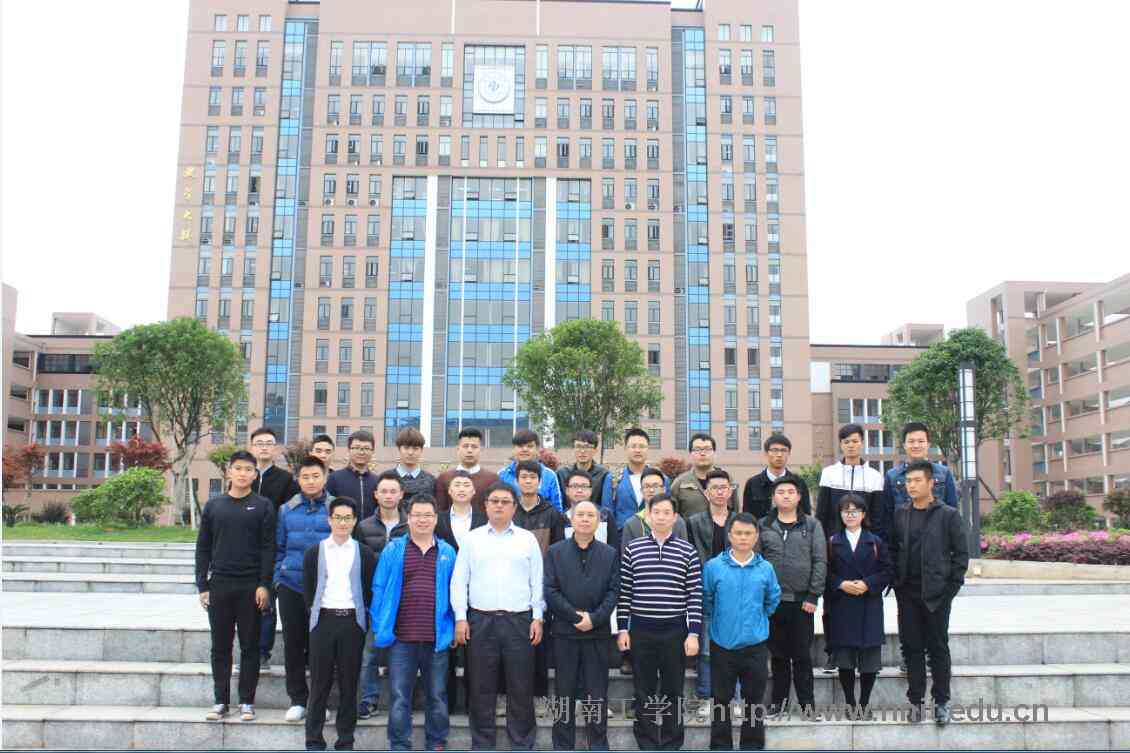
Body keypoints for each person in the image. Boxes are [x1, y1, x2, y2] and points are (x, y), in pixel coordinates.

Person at [451, 481, 545, 751]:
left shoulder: (527, 539)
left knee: (521, 685)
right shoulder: (472, 539)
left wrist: (537, 616)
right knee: (481, 686)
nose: (500, 506)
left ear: (514, 507)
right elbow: (459, 581)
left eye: (506, 502)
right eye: (495, 501)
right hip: (481, 621)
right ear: (486, 506)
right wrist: (460, 617)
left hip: (520, 621)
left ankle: (522, 743)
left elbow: (537, 580)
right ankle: (482, 743)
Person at [371, 494, 458, 751]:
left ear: (436, 519)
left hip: (436, 638)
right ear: (408, 519)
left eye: (427, 515)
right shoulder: (394, 549)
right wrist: (380, 624)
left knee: (437, 695)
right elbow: (379, 588)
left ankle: (437, 742)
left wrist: (453, 627)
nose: (422, 520)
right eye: (417, 515)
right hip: (401, 638)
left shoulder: (447, 552)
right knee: (399, 696)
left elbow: (456, 593)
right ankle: (399, 744)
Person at [618, 492, 702, 751]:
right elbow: (625, 592)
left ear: (675, 517)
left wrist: (693, 633)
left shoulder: (687, 551)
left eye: (667, 512)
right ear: (648, 516)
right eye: (656, 512)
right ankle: (646, 742)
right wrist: (622, 629)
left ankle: (671, 743)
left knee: (673, 689)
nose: (662, 517)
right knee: (643, 689)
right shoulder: (633, 549)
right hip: (641, 629)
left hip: (674, 630)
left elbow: (694, 595)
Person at [888, 460, 969, 725]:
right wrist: (897, 583)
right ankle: (916, 702)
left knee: (938, 648)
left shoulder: (948, 515)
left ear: (931, 483)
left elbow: (961, 555)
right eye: (908, 482)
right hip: (907, 593)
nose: (911, 486)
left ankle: (942, 701)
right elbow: (893, 549)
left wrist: (950, 589)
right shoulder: (901, 514)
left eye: (917, 481)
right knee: (912, 648)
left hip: (937, 594)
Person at [195, 449, 274, 722]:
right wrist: (202, 585)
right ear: (229, 471)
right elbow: (203, 548)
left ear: (255, 474)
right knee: (220, 646)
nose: (243, 473)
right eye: (238, 468)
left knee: (250, 646)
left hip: (251, 586)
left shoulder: (263, 505)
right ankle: (220, 701)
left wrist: (264, 584)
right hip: (219, 585)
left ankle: (247, 702)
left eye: (248, 469)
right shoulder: (214, 506)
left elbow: (268, 548)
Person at [302, 496, 377, 751]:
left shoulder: (364, 553)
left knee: (349, 684)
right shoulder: (315, 552)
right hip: (323, 622)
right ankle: (314, 740)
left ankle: (345, 740)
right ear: (329, 520)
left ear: (354, 521)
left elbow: (369, 589)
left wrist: (361, 620)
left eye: (347, 518)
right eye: (338, 518)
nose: (342, 523)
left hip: (352, 623)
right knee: (319, 684)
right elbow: (308, 589)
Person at [544, 500, 620, 751]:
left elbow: (614, 591)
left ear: (598, 522)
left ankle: (598, 744)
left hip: (597, 634)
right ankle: (562, 745)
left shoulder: (609, 554)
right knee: (563, 693)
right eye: (581, 515)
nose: (585, 519)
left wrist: (594, 619)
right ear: (571, 519)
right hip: (565, 634)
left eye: (590, 515)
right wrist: (576, 618)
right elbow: (550, 590)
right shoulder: (555, 552)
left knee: (597, 694)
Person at [702, 513, 780, 751]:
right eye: (738, 533)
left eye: (748, 533)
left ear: (756, 537)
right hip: (722, 644)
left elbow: (772, 599)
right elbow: (707, 599)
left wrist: (757, 619)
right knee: (720, 700)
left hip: (755, 644)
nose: (743, 538)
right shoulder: (714, 567)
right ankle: (720, 746)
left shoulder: (765, 568)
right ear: (730, 536)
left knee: (754, 700)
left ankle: (752, 746)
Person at [815, 423, 884, 673]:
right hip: (835, 549)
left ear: (862, 443)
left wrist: (875, 548)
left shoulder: (874, 476)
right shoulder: (829, 474)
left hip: (865, 549)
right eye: (846, 442)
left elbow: (878, 517)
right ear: (840, 445)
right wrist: (823, 546)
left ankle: (866, 653)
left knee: (866, 604)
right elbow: (822, 514)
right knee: (832, 603)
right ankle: (833, 652)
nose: (851, 445)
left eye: (855, 441)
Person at [757, 477, 826, 715]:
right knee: (778, 657)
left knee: (802, 656)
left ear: (798, 497)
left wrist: (813, 595)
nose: (785, 495)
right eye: (780, 492)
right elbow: (757, 562)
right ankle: (779, 703)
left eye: (790, 492)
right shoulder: (763, 525)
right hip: (773, 603)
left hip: (802, 602)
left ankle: (807, 705)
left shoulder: (812, 525)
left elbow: (820, 560)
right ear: (773, 498)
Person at [275, 456, 335, 722]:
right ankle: (298, 699)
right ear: (297, 479)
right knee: (293, 644)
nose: (310, 481)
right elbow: (278, 548)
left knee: (322, 647)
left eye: (315, 476)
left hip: (326, 588)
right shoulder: (286, 510)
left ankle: (321, 701)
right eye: (305, 477)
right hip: (291, 585)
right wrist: (278, 578)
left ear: (325, 477)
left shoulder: (336, 508)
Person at [824, 494, 892, 716]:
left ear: (863, 515)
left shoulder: (875, 542)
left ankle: (864, 703)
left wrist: (867, 584)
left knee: (869, 660)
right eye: (846, 511)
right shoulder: (832, 542)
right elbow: (825, 572)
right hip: (842, 605)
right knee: (845, 659)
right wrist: (840, 584)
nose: (850, 515)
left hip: (868, 604)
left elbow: (887, 571)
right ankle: (850, 702)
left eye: (855, 511)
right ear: (840, 515)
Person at [618, 467, 685, 677]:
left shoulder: (678, 522)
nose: (651, 489)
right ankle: (629, 658)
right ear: (641, 490)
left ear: (664, 488)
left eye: (656, 485)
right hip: (641, 598)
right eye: (646, 486)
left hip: (671, 600)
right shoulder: (632, 523)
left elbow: (685, 558)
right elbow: (625, 562)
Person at [355, 470, 410, 720]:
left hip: (404, 598)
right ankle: (368, 700)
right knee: (370, 653)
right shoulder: (363, 526)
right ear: (376, 495)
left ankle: (403, 702)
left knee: (403, 654)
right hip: (374, 598)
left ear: (401, 494)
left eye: (393, 491)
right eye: (384, 491)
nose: (388, 496)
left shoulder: (411, 525)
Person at [433, 471, 488, 714]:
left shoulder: (484, 519)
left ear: (474, 491)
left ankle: (473, 703)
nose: (462, 489)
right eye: (457, 485)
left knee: (475, 652)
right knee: (447, 647)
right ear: (449, 491)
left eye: (467, 485)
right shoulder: (439, 519)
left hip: (477, 590)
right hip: (444, 589)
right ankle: (447, 703)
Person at [513, 459, 567, 700]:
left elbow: (558, 552)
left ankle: (539, 697)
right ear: (516, 481)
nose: (528, 481)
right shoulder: (510, 510)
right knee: (512, 644)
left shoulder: (552, 514)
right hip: (512, 585)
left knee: (539, 643)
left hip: (542, 586)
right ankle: (508, 696)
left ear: (540, 482)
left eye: (532, 477)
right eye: (523, 477)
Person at [687, 468, 737, 721]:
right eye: (714, 488)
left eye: (724, 488)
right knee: (706, 649)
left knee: (735, 647)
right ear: (706, 493)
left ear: (730, 491)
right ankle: (706, 698)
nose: (719, 492)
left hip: (734, 591)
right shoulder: (694, 522)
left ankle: (735, 699)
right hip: (704, 590)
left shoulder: (740, 521)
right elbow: (691, 555)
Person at [249, 426, 300, 671]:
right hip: (246, 550)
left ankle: (262, 653)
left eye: (269, 443)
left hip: (274, 547)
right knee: (248, 605)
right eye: (259, 443)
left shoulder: (285, 479)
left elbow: (288, 514)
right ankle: (249, 652)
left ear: (275, 448)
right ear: (252, 447)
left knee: (267, 603)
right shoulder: (246, 475)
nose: (264, 447)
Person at [882, 422, 959, 535]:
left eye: (921, 441)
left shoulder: (943, 473)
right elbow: (887, 514)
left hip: (937, 537)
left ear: (928, 444)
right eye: (911, 441)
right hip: (904, 538)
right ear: (904, 445)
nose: (916, 445)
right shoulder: (892, 476)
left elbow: (952, 507)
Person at [742, 433, 812, 519]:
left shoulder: (799, 483)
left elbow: (806, 516)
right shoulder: (752, 483)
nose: (779, 455)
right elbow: (747, 518)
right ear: (766, 453)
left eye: (783, 450)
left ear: (789, 453)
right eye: (774, 450)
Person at [610, 427, 668, 529]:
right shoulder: (613, 479)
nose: (637, 450)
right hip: (622, 535)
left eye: (642, 446)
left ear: (648, 448)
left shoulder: (662, 479)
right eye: (633, 446)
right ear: (625, 449)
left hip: (654, 533)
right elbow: (608, 513)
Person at [434, 427, 501, 513]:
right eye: (465, 446)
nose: (469, 450)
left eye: (474, 447)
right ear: (458, 449)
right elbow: (440, 511)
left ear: (481, 450)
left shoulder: (493, 479)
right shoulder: (444, 478)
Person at [670, 433, 737, 519]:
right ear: (690, 454)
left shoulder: (727, 479)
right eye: (697, 449)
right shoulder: (680, 483)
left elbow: (735, 510)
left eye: (707, 449)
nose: (702, 453)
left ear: (714, 453)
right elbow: (673, 516)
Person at [498, 429, 563, 512]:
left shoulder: (549, 475)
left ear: (537, 449)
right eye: (520, 446)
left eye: (529, 446)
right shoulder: (502, 475)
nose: (525, 449)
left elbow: (557, 509)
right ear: (513, 449)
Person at [327, 430, 380, 521]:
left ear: (373, 451)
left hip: (371, 529)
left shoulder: (378, 481)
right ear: (348, 449)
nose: (361, 452)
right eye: (357, 448)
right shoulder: (334, 478)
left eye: (366, 448)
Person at [562, 468, 619, 551]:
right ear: (567, 490)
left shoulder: (605, 515)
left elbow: (614, 547)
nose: (579, 490)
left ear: (591, 490)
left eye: (584, 486)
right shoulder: (562, 518)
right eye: (575, 486)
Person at [556, 430, 613, 511]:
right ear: (573, 449)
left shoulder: (603, 474)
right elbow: (558, 504)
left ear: (595, 450)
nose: (582, 451)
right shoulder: (562, 474)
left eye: (587, 447)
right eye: (578, 446)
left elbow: (606, 507)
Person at [387, 426, 437, 508]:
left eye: (415, 448)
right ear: (399, 449)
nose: (410, 452)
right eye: (406, 448)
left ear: (421, 450)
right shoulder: (387, 478)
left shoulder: (431, 481)